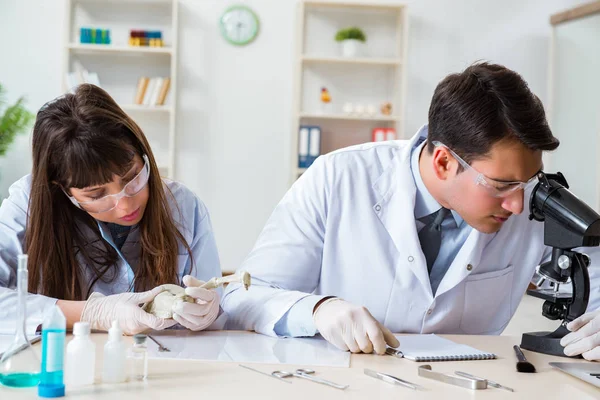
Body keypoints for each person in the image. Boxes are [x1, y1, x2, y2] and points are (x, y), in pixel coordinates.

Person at [222, 62, 600, 360]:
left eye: (529, 181)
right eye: (501, 186)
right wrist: (317, 309)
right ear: (442, 162)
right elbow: (243, 296)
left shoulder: (527, 198)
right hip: (347, 383)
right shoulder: (338, 178)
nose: (517, 204)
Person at [0, 84, 222, 335]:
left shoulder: (183, 206)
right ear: (61, 188)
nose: (126, 205)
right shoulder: (28, 203)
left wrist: (210, 313)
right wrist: (91, 313)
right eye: (96, 195)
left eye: (133, 177)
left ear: (143, 153)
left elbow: (219, 312)